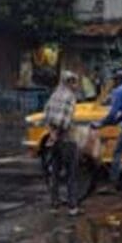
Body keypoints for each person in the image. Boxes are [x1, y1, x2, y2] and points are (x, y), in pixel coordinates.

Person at [43, 70, 81, 216]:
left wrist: (52, 134)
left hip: (54, 140)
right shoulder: (70, 97)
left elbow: (46, 113)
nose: (75, 85)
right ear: (69, 83)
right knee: (71, 173)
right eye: (74, 82)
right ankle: (72, 207)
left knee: (55, 173)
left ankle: (54, 205)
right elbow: (64, 120)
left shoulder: (54, 94)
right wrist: (58, 132)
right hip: (67, 138)